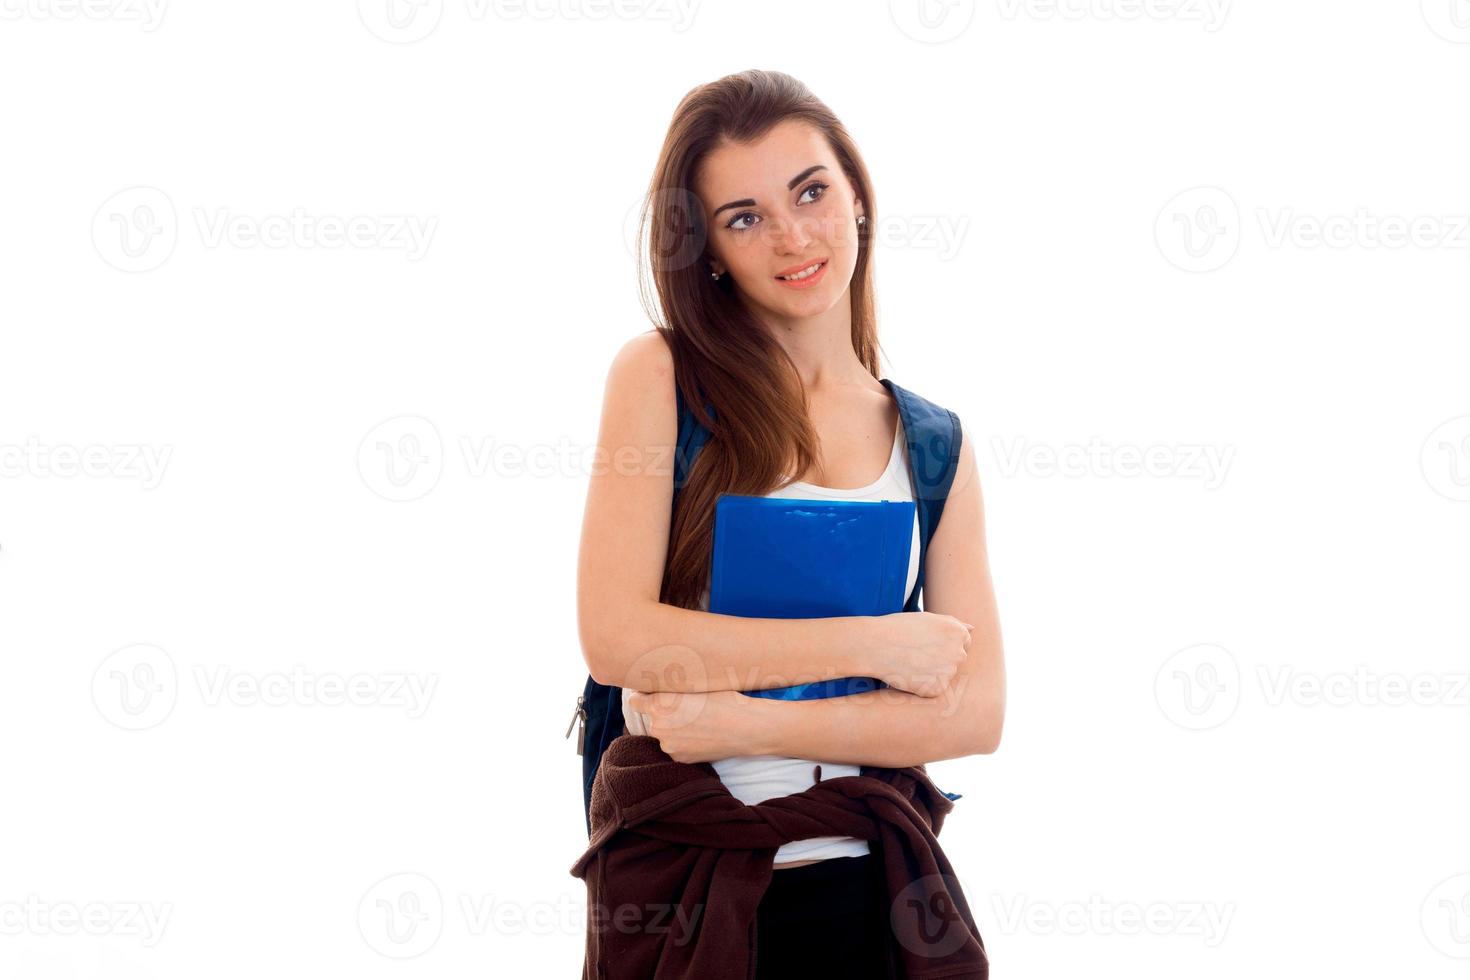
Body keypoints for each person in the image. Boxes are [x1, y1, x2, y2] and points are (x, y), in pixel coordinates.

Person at [575, 68, 1005, 978]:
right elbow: (616, 638)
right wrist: (875, 648)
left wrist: (735, 723)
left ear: (856, 195)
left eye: (811, 191)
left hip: (873, 890)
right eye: (744, 216)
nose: (792, 235)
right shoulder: (660, 379)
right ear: (710, 252)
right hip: (689, 891)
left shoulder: (933, 444)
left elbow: (975, 711)